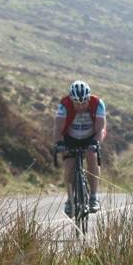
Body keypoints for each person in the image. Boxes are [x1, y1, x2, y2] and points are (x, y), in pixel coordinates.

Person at [54, 80, 106, 214]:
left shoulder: (98, 104)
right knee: (68, 166)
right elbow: (58, 129)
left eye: (84, 102)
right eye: (77, 103)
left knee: (91, 156)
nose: (81, 106)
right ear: (71, 100)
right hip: (70, 138)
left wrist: (95, 143)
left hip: (90, 137)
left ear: (89, 99)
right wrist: (59, 144)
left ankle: (93, 197)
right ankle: (70, 199)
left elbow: (100, 128)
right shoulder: (64, 105)